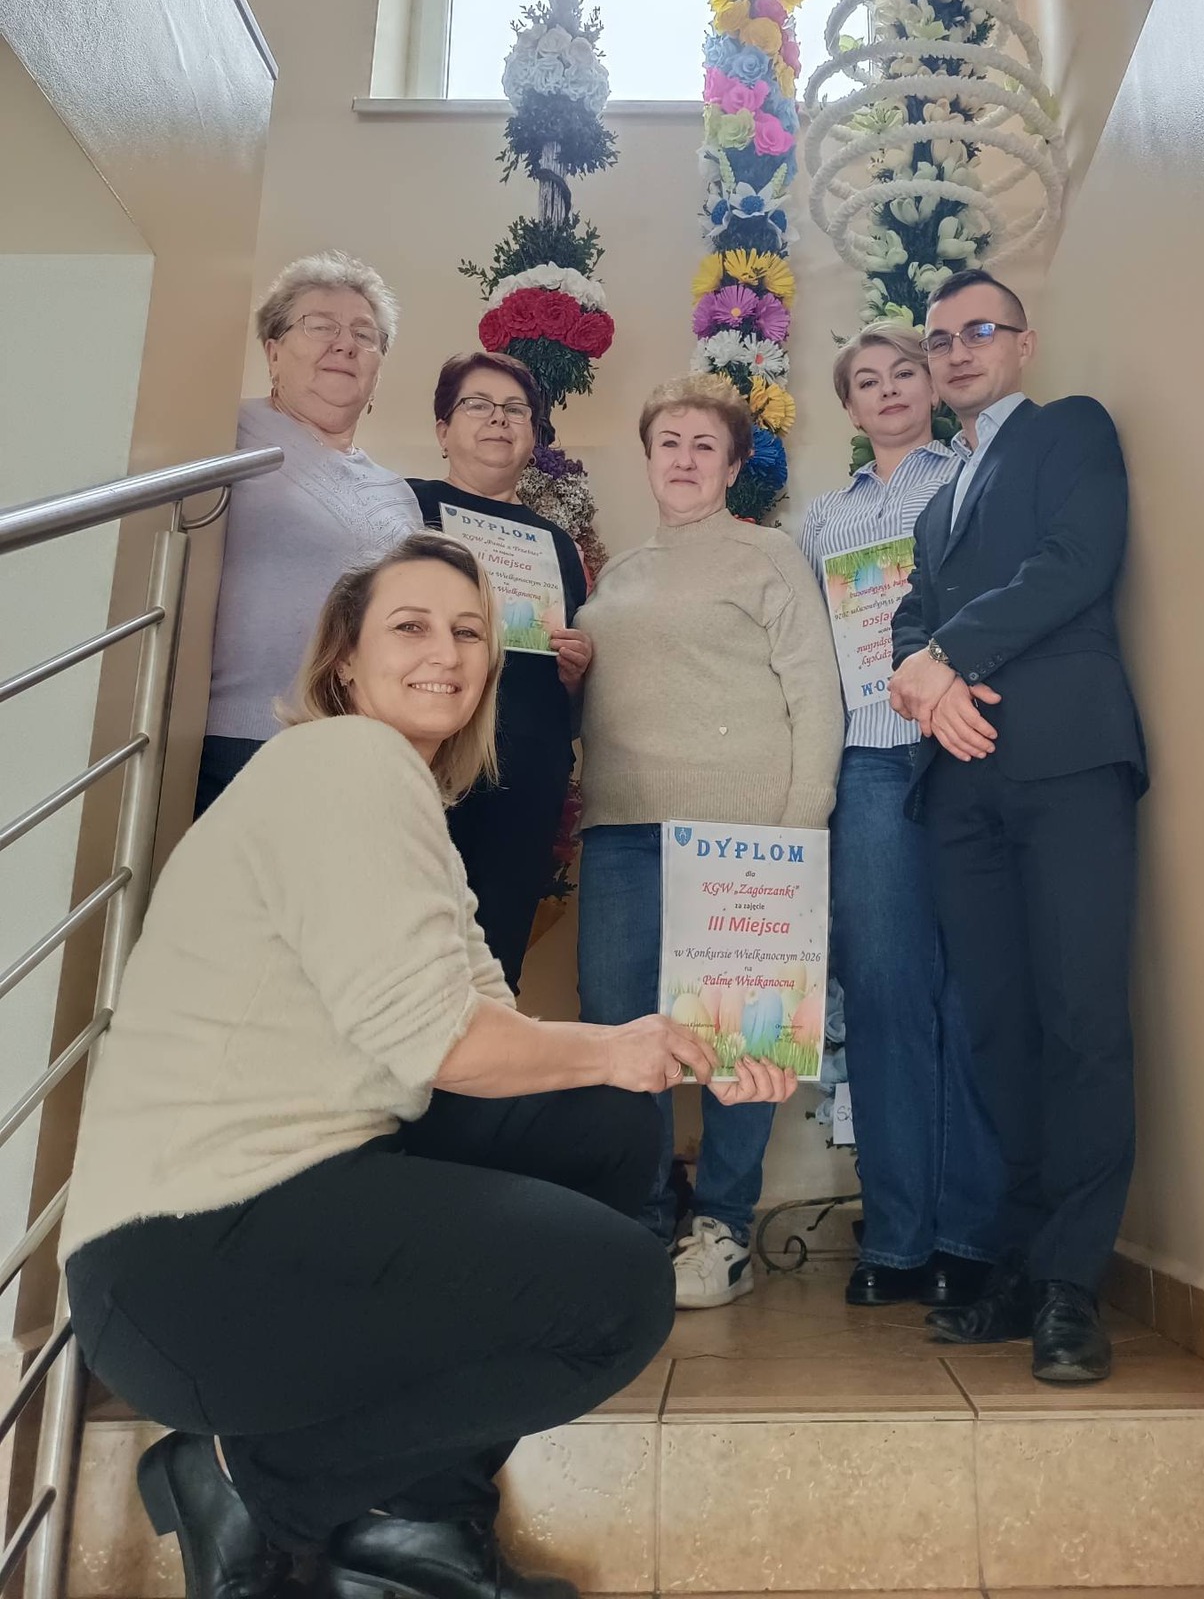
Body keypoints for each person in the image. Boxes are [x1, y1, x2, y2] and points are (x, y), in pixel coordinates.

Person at [62, 532, 796, 1599]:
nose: (446, 652)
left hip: (254, 1224)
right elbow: (441, 1044)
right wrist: (622, 1046)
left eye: (469, 632)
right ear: (344, 660)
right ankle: (249, 1482)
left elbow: (488, 1027)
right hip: (185, 1261)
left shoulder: (397, 797)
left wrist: (692, 1049)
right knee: (617, 1298)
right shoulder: (342, 763)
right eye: (410, 626)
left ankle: (416, 1531)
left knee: (601, 1120)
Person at [889, 268, 1146, 1383]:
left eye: (978, 330)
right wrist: (927, 676)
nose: (956, 350)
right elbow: (910, 620)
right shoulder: (935, 504)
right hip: (961, 791)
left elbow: (1075, 562)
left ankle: (1071, 1287)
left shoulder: (1071, 431)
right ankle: (1026, 1258)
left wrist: (947, 657)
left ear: (1023, 344)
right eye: (940, 337)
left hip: (1067, 763)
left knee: (1081, 1017)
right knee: (997, 1028)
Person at [574, 375, 844, 1310]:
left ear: (732, 468)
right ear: (648, 458)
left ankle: (723, 1226)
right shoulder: (617, 575)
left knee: (742, 1038)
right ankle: (644, 1223)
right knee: (621, 1031)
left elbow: (816, 694)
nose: (685, 459)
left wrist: (802, 825)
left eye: (705, 446)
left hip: (746, 834)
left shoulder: (769, 555)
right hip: (621, 829)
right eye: (669, 443)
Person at [799, 325, 1002, 1310]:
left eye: (903, 374)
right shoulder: (821, 520)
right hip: (869, 762)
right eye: (867, 381)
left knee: (970, 994)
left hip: (965, 748)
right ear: (849, 407)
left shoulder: (972, 478)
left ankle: (970, 1236)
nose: (887, 391)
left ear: (930, 385)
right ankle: (897, 1238)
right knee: (883, 993)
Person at [195, 251, 421, 815]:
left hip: (360, 753)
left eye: (364, 335)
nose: (344, 345)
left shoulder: (397, 493)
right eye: (321, 326)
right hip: (235, 743)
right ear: (273, 351)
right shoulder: (221, 431)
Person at [409, 350, 592, 987]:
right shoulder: (406, 510)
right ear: (443, 429)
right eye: (478, 405)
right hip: (425, 765)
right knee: (407, 954)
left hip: (524, 775)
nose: (499, 419)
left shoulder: (557, 545)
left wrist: (576, 673)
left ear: (533, 437)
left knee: (493, 964)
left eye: (516, 410)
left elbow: (570, 696)